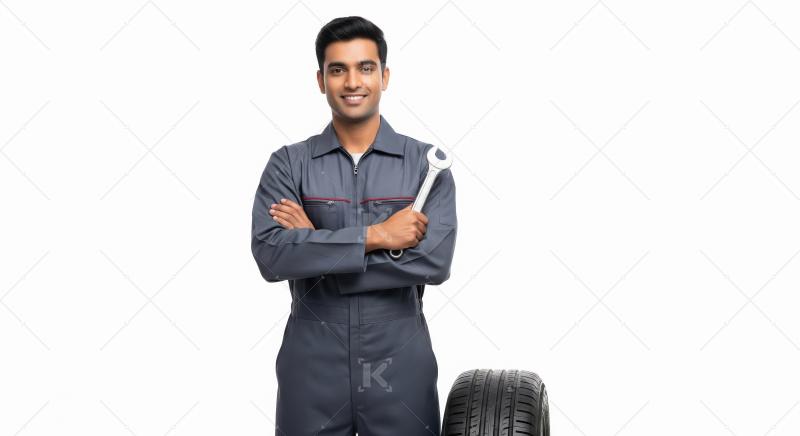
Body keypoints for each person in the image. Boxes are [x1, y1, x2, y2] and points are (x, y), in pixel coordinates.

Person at [250, 15, 457, 436]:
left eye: (365, 68)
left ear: (385, 75)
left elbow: (433, 264)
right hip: (312, 364)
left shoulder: (425, 167)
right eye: (337, 69)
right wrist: (375, 237)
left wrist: (316, 246)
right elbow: (271, 255)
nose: (352, 82)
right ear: (320, 80)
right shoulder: (289, 164)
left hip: (400, 359)